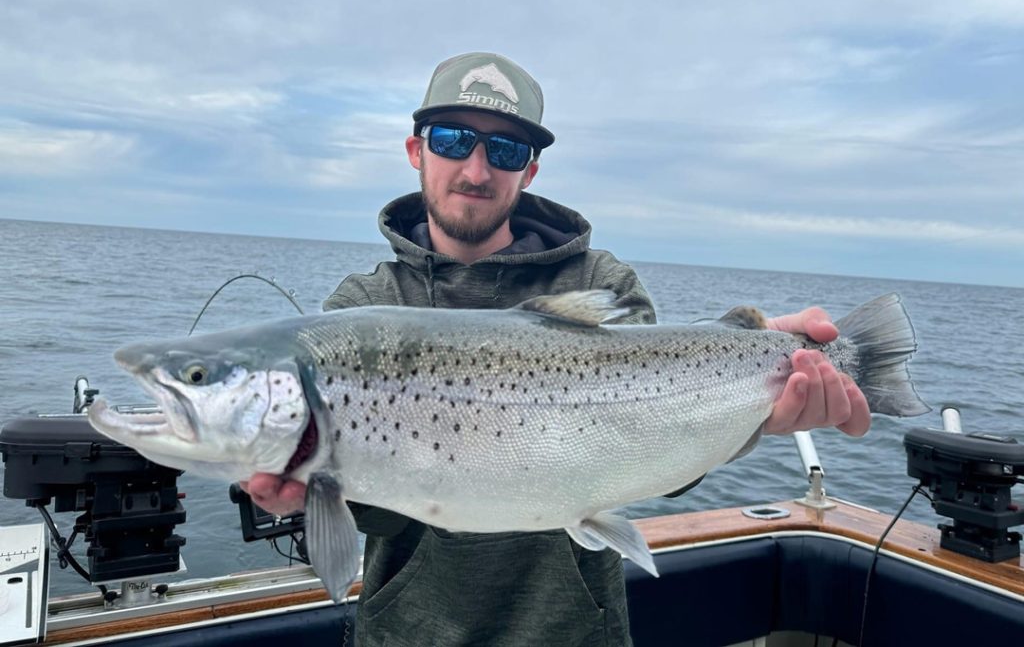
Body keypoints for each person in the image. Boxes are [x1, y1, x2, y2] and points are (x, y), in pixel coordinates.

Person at [241, 52, 871, 646]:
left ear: (530, 169)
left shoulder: (601, 286)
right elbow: (382, 516)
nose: (477, 170)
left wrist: (760, 400)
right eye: (453, 140)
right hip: (408, 633)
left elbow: (667, 470)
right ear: (416, 150)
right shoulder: (361, 308)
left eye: (507, 149)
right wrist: (317, 487)